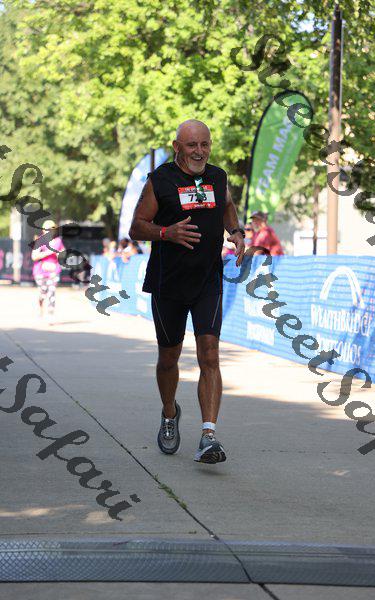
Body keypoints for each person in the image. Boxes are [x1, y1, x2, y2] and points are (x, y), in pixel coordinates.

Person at [129, 119, 245, 464]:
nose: (199, 152)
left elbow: (227, 205)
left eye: (204, 144)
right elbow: (137, 227)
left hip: (208, 280)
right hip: (168, 282)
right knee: (169, 358)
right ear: (177, 147)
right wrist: (167, 233)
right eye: (192, 145)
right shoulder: (160, 180)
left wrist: (236, 231)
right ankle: (169, 412)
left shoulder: (217, 177)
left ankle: (209, 435)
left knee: (210, 356)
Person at [31, 220, 65, 325]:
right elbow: (34, 256)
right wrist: (49, 252)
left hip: (53, 270)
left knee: (51, 291)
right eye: (47, 229)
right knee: (43, 292)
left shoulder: (58, 241)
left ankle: (50, 314)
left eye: (52, 229)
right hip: (40, 271)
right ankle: (40, 305)